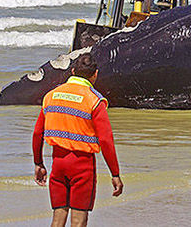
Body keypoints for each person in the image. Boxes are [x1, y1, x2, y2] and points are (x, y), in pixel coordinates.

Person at [32, 53, 123, 227]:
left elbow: (37, 133)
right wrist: (115, 174)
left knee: (58, 218)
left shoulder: (51, 96)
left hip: (57, 163)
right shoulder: (94, 100)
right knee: (78, 220)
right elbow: (106, 139)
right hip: (82, 166)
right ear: (95, 74)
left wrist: (38, 163)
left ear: (73, 71)